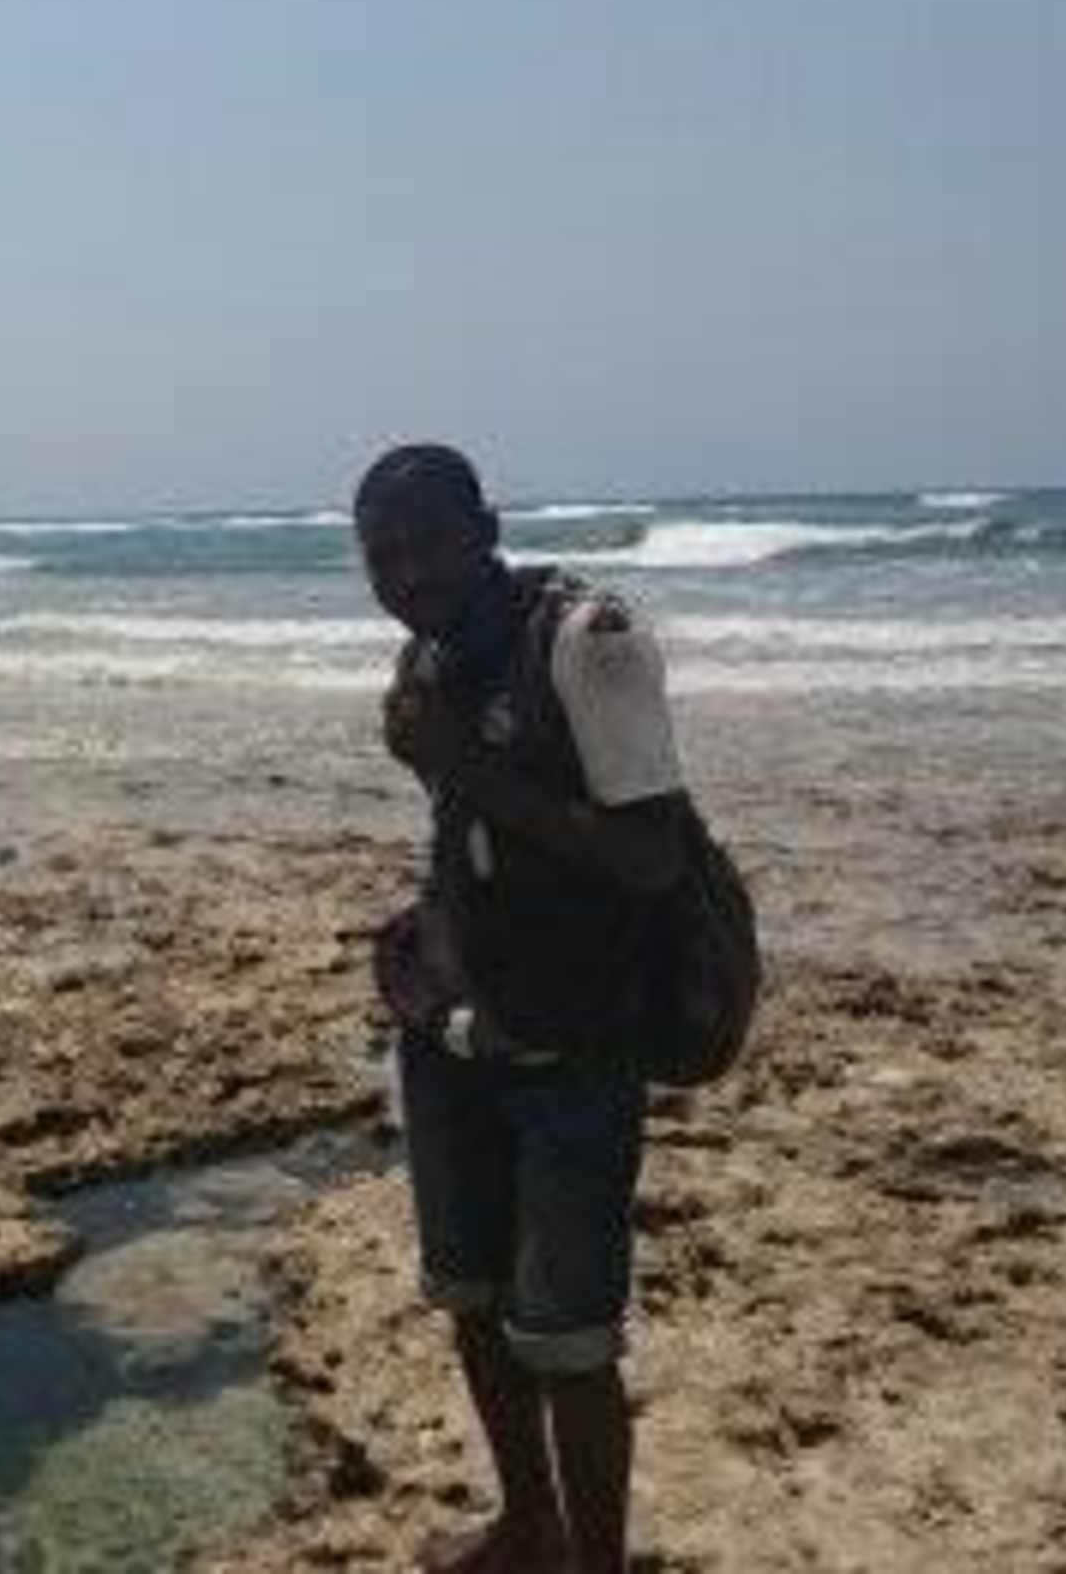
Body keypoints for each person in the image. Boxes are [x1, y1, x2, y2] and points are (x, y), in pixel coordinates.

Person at [355, 443, 688, 1574]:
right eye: (384, 556)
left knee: (571, 1339)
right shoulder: (431, 654)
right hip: (455, 1029)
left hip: (575, 1043)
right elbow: (488, 834)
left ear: (486, 529)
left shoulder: (590, 640)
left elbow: (649, 856)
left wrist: (463, 764)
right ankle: (528, 1527)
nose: (409, 574)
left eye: (430, 544)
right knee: (473, 1296)